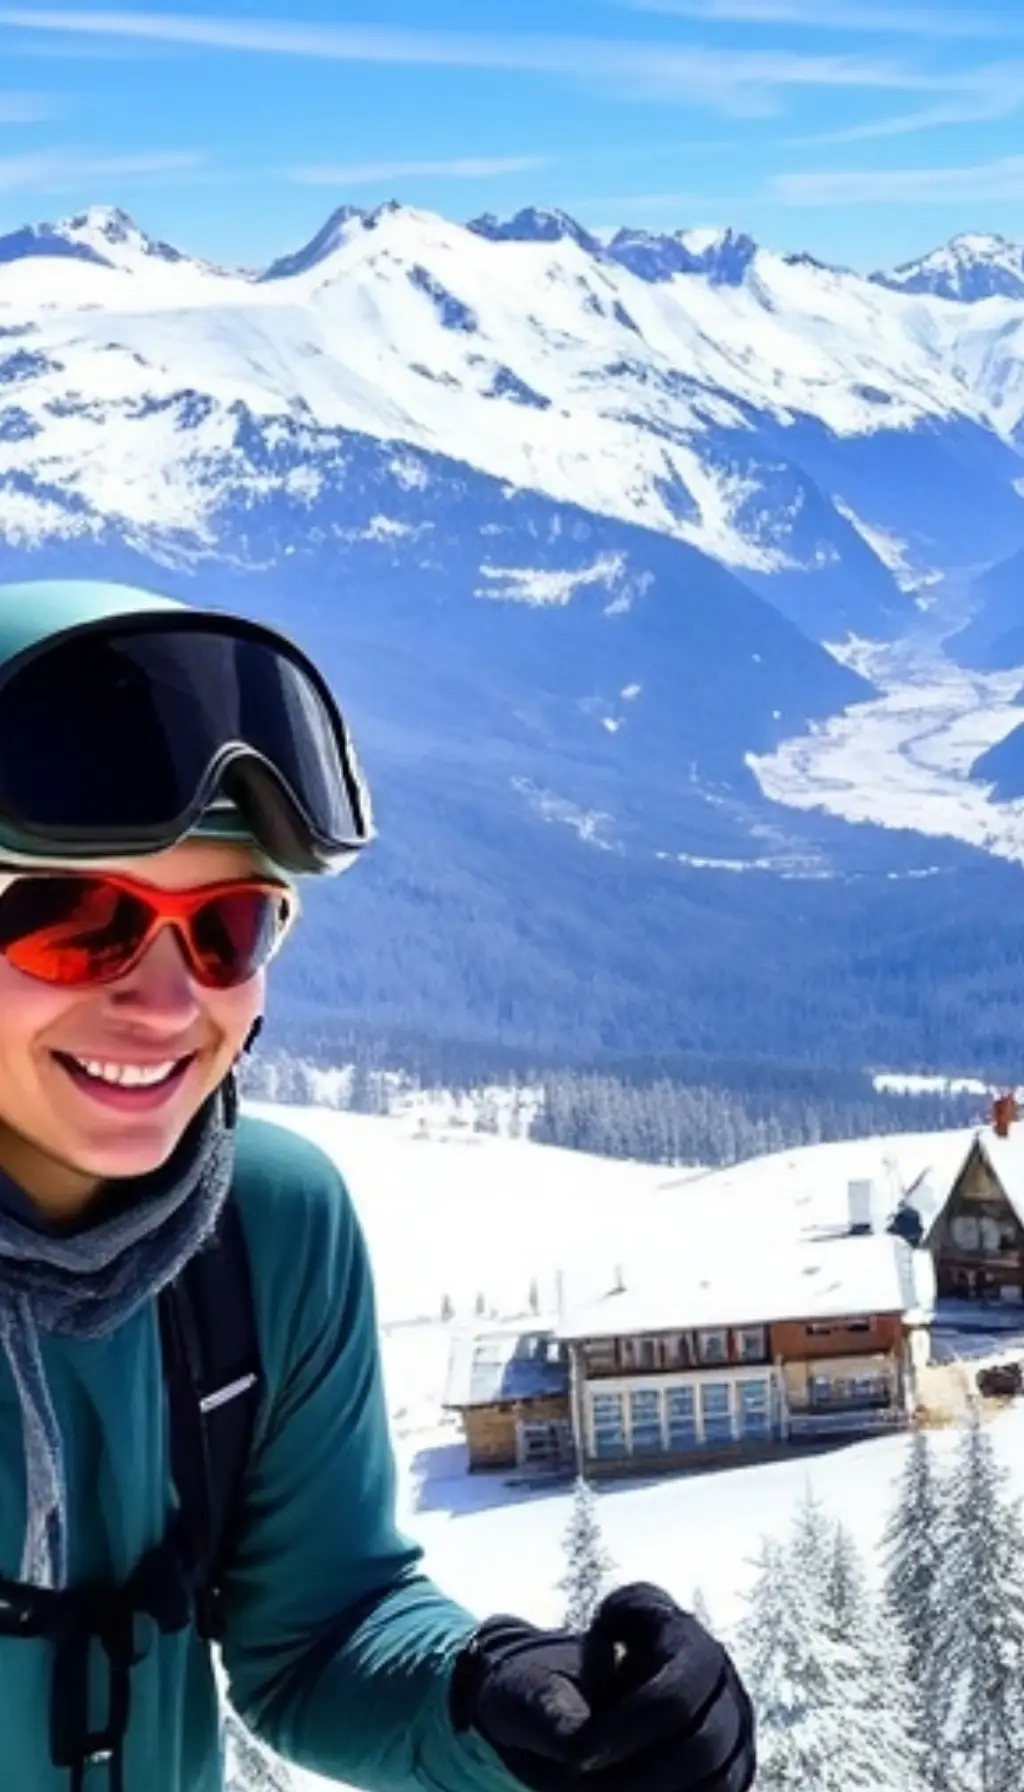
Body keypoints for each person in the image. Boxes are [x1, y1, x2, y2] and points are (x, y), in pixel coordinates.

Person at [0, 578, 755, 1792]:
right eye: (72, 922)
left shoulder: (256, 1229)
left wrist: (506, 1700)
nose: (166, 1002)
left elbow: (321, 1631)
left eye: (226, 929)